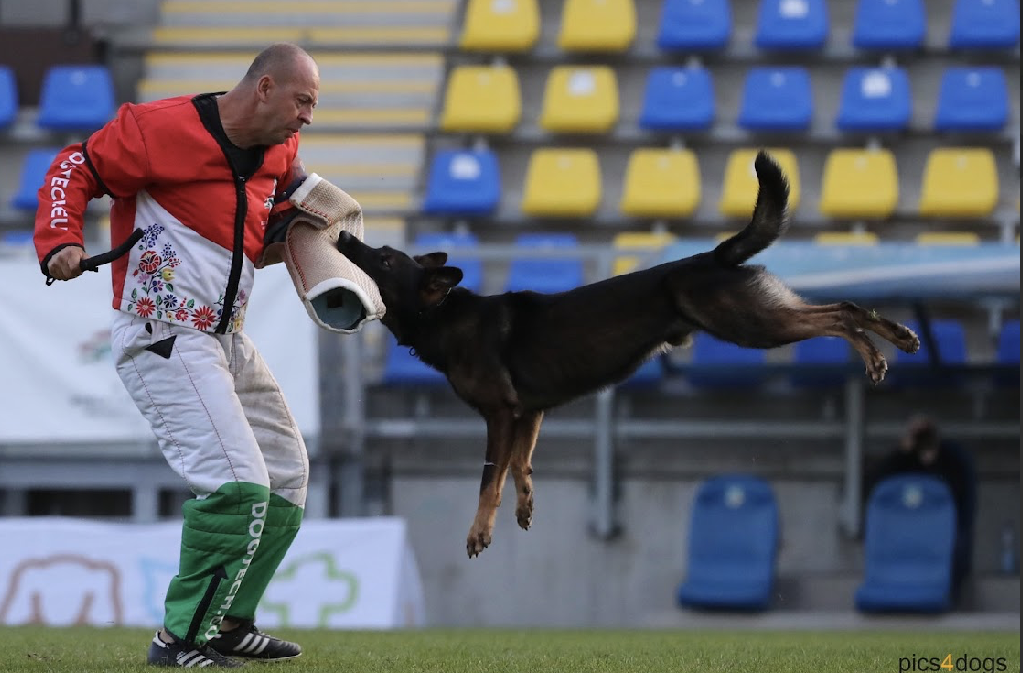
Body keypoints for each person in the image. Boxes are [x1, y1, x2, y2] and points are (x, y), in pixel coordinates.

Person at [34, 43, 319, 668]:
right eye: (302, 102)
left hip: (225, 338)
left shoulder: (281, 150)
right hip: (161, 333)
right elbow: (71, 168)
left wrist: (308, 229)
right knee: (238, 485)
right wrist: (60, 238)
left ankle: (226, 623)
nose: (307, 118)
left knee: (288, 477)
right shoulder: (156, 129)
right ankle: (180, 639)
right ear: (265, 88)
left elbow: (269, 213)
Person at [863, 414, 977, 600]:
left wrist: (933, 455)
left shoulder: (952, 459)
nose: (922, 440)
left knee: (958, 547)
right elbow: (874, 485)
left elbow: (961, 499)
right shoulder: (903, 460)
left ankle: (948, 597)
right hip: (905, 534)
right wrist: (902, 450)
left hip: (939, 536)